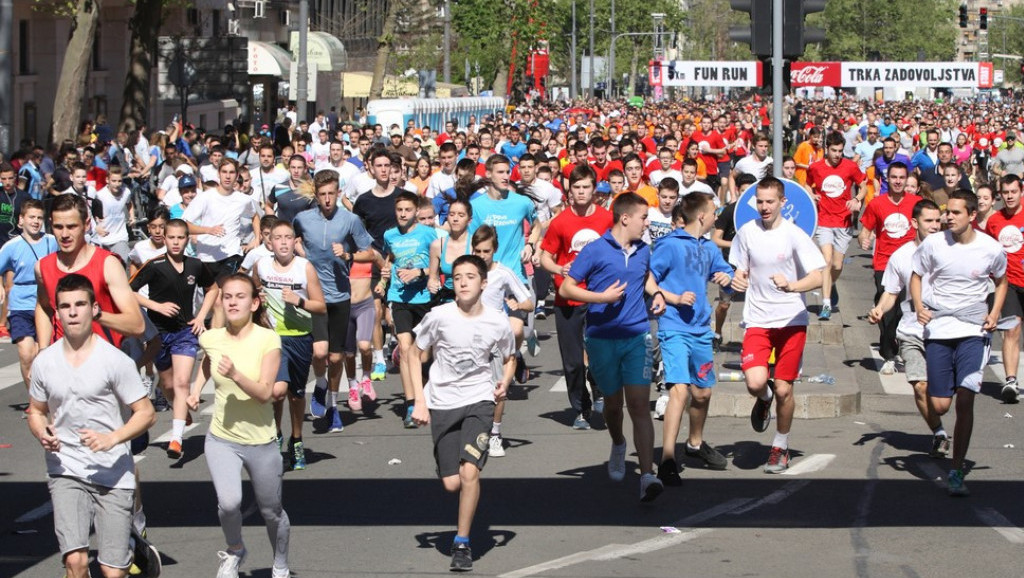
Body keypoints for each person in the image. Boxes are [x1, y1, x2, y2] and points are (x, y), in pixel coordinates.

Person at [27, 273, 156, 578]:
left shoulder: (115, 361)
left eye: (80, 304)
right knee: (76, 563)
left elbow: (146, 413)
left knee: (112, 571)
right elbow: (36, 411)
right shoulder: (44, 362)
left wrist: (113, 438)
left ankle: (134, 546)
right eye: (65, 306)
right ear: (56, 312)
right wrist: (41, 431)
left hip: (113, 470)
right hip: (65, 467)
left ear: (94, 309)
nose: (73, 312)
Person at [407, 254, 516, 572]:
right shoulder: (439, 316)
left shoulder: (497, 320)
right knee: (452, 483)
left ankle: (462, 543)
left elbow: (510, 357)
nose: (464, 281)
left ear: (484, 284)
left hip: (480, 400)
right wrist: (419, 401)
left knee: (470, 473)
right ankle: (457, 480)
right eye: (457, 277)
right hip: (442, 401)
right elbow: (415, 354)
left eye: (470, 276)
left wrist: (504, 383)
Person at [560, 192, 667, 502]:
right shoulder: (595, 250)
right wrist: (601, 298)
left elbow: (644, 276)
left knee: (638, 404)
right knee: (613, 404)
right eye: (644, 218)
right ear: (625, 218)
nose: (647, 223)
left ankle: (647, 476)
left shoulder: (644, 250)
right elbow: (569, 287)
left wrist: (657, 293)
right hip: (601, 337)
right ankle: (619, 443)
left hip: (636, 335)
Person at [186, 274, 291, 578]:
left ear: (254, 302)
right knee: (229, 503)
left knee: (271, 511)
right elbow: (208, 360)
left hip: (261, 441)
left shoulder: (268, 340)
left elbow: (264, 395)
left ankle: (280, 564)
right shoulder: (211, 338)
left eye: (240, 296)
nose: (232, 302)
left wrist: (235, 374)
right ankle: (235, 550)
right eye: (227, 296)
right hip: (222, 438)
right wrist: (196, 388)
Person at [909, 191, 1007, 496]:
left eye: (954, 213)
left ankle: (956, 468)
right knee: (940, 403)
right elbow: (916, 275)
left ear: (971, 215)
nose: (947, 218)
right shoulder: (934, 244)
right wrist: (918, 306)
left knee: (966, 399)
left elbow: (1002, 280)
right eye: (946, 212)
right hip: (939, 328)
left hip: (973, 330)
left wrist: (994, 312)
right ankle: (943, 414)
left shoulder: (990, 249)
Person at [730, 177, 825, 473]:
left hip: (791, 320)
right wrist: (737, 279)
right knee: (756, 383)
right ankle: (764, 398)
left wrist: (793, 286)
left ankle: (780, 447)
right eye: (759, 201)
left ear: (783, 202)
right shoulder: (746, 232)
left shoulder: (794, 235)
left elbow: (818, 276)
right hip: (758, 318)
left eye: (770, 201)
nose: (764, 207)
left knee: (785, 390)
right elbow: (740, 270)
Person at [648, 192, 733, 486]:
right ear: (702, 217)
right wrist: (670, 297)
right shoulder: (669, 245)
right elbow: (649, 279)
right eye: (713, 212)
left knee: (702, 393)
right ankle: (668, 460)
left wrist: (728, 279)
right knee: (679, 392)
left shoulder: (709, 248)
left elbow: (726, 276)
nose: (715, 216)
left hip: (700, 329)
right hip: (673, 327)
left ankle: (694, 444)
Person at [129, 219, 219, 460]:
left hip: (185, 332)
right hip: (158, 334)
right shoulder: (154, 265)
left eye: (181, 238)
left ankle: (176, 439)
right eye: (172, 238)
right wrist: (155, 305)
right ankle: (177, 408)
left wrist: (201, 317)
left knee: (181, 384)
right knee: (168, 386)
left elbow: (213, 289)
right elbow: (129, 290)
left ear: (187, 239)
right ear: (164, 239)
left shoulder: (196, 265)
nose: (176, 242)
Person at [296, 171, 377, 432]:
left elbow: (370, 253)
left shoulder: (350, 220)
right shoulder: (303, 219)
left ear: (338, 193)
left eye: (332, 194)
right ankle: (320, 383)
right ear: (316, 196)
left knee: (336, 356)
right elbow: (290, 239)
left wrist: (349, 254)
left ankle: (332, 406)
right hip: (314, 296)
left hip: (341, 295)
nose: (328, 199)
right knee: (319, 353)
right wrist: (297, 251)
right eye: (323, 195)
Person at [868, 199, 949, 457]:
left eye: (938, 221)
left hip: (946, 332)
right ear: (915, 223)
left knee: (943, 400)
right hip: (913, 331)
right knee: (920, 386)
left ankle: (940, 415)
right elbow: (891, 292)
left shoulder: (952, 250)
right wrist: (880, 309)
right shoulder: (902, 256)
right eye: (929, 221)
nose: (935, 226)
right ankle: (938, 433)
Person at [539, 165, 613, 430]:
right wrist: (560, 269)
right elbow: (544, 256)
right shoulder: (560, 222)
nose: (581, 192)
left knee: (600, 354)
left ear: (595, 190)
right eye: (576, 188)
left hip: (599, 296)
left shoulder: (607, 218)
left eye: (586, 187)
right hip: (567, 297)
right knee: (572, 361)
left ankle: (599, 389)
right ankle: (581, 408)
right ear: (569, 191)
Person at [252, 220, 327, 470]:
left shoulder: (305, 268)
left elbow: (321, 306)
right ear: (269, 242)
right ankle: (275, 437)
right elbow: (253, 288)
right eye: (278, 237)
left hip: (300, 336)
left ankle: (296, 439)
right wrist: (257, 300)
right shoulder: (261, 265)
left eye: (288, 237)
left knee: (295, 394)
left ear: (295, 242)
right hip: (272, 337)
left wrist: (299, 301)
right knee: (277, 391)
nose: (283, 242)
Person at [471, 224, 533, 457]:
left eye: (486, 251)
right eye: (478, 251)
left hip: (496, 339)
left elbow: (529, 302)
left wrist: (517, 305)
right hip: (470, 339)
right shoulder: (467, 271)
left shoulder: (503, 273)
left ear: (494, 250)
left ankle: (495, 435)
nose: (482, 256)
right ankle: (475, 433)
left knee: (498, 389)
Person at [858, 162, 921, 375]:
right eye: (893, 177)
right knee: (887, 311)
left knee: (907, 311)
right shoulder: (877, 204)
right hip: (884, 264)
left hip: (912, 265)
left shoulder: (917, 203)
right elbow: (864, 230)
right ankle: (888, 355)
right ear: (887, 179)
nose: (897, 181)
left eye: (901, 178)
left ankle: (907, 347)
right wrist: (864, 239)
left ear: (907, 180)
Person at [381, 191, 437, 427]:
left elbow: (438, 265)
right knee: (405, 350)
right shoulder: (390, 235)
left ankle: (428, 391)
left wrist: (419, 273)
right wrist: (383, 279)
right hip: (400, 298)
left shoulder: (428, 234)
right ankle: (411, 403)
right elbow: (390, 257)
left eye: (408, 210)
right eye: (399, 210)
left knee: (424, 355)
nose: (403, 214)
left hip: (424, 298)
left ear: (416, 212)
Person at [806, 131, 866, 319]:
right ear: (826, 149)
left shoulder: (849, 166)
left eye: (840, 151)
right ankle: (826, 304)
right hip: (824, 220)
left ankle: (830, 284)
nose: (837, 155)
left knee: (837, 265)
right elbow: (807, 184)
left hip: (843, 221)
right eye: (834, 150)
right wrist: (811, 194)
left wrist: (857, 198)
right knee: (827, 261)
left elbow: (863, 185)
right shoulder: (816, 167)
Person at [0, 199, 57, 389]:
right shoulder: (12, 246)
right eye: (31, 217)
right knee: (26, 353)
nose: (36, 221)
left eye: (39, 218)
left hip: (48, 303)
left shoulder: (52, 241)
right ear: (21, 220)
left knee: (45, 353)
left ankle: (47, 396)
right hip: (21, 305)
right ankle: (34, 400)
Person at [984, 174, 1024, 403]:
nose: (1009, 196)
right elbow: (988, 250)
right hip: (1008, 283)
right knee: (1011, 330)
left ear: (1021, 191)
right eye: (1005, 192)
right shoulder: (995, 221)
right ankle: (1011, 381)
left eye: (1013, 192)